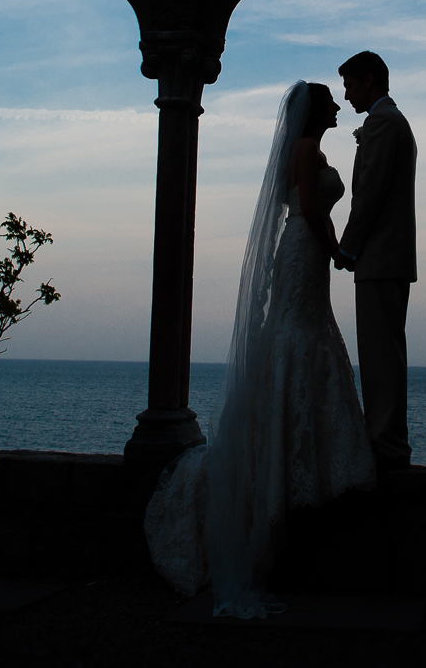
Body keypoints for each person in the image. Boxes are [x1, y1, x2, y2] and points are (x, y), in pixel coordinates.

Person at [144, 81, 375, 618]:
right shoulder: (304, 150)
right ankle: (281, 465)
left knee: (305, 332)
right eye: (331, 102)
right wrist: (336, 249)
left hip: (306, 254)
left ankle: (302, 449)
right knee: (296, 334)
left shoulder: (309, 149)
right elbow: (311, 212)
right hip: (305, 248)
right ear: (316, 111)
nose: (339, 106)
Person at [332, 50, 417, 473]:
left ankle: (386, 446)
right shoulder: (389, 121)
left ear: (369, 80)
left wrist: (347, 249)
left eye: (349, 85)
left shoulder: (383, 122)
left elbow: (369, 193)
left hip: (380, 256)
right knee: (386, 352)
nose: (346, 95)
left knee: (381, 355)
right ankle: (387, 440)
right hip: (388, 257)